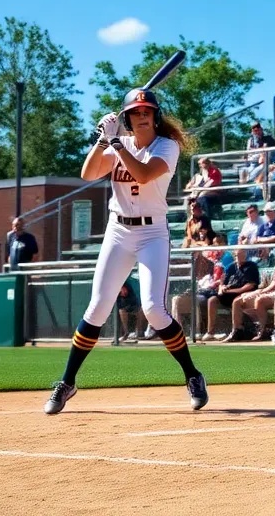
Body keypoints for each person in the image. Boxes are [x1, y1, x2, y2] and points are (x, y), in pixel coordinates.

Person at [44, 89, 206, 414]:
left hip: (152, 232)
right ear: (128, 118)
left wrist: (116, 143)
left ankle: (192, 375)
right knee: (98, 307)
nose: (142, 115)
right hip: (118, 229)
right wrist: (103, 141)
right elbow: (88, 173)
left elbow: (144, 174)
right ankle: (67, 382)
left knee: (154, 309)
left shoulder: (167, 146)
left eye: (147, 110)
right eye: (135, 111)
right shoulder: (121, 143)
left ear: (155, 115)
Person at [204, 248, 260, 340]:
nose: (238, 256)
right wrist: (222, 288)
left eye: (240, 254)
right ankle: (210, 332)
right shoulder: (231, 267)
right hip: (229, 293)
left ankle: (236, 330)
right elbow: (223, 282)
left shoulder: (251, 266)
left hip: (244, 293)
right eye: (236, 255)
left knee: (236, 301)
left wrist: (233, 291)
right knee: (212, 300)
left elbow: (250, 285)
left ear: (245, 254)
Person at [115, 277, 144, 342]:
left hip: (132, 305)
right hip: (120, 307)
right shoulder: (111, 284)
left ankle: (139, 332)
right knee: (121, 311)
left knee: (141, 311)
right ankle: (126, 332)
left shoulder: (126, 284)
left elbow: (124, 293)